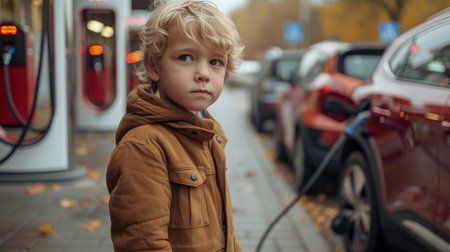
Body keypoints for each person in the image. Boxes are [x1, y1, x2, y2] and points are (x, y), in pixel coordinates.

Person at [106, 0, 244, 251]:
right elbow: (144, 243)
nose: (203, 73)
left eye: (215, 62)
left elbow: (223, 229)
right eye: (186, 57)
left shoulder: (207, 133)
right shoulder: (144, 147)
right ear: (153, 65)